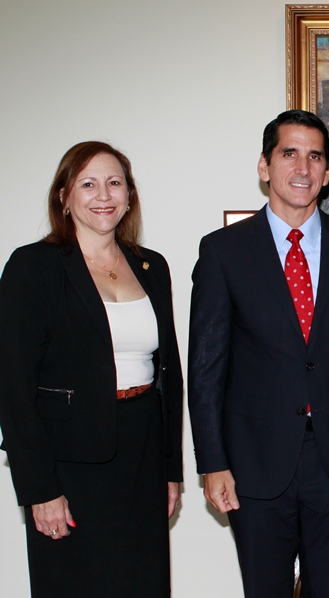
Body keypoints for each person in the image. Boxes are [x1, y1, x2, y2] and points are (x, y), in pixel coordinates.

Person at [188, 109, 329, 598]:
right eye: (289, 154)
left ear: (327, 172)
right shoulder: (223, 251)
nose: (303, 168)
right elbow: (206, 368)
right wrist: (212, 462)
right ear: (265, 166)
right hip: (254, 462)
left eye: (315, 157)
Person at [0, 141, 183, 597]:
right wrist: (39, 488)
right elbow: (13, 386)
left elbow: (169, 372)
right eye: (88, 184)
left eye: (114, 182)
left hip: (143, 452)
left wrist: (170, 470)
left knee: (143, 584)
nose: (104, 195)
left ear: (129, 195)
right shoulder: (33, 266)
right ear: (64, 196)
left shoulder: (152, 266)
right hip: (69, 463)